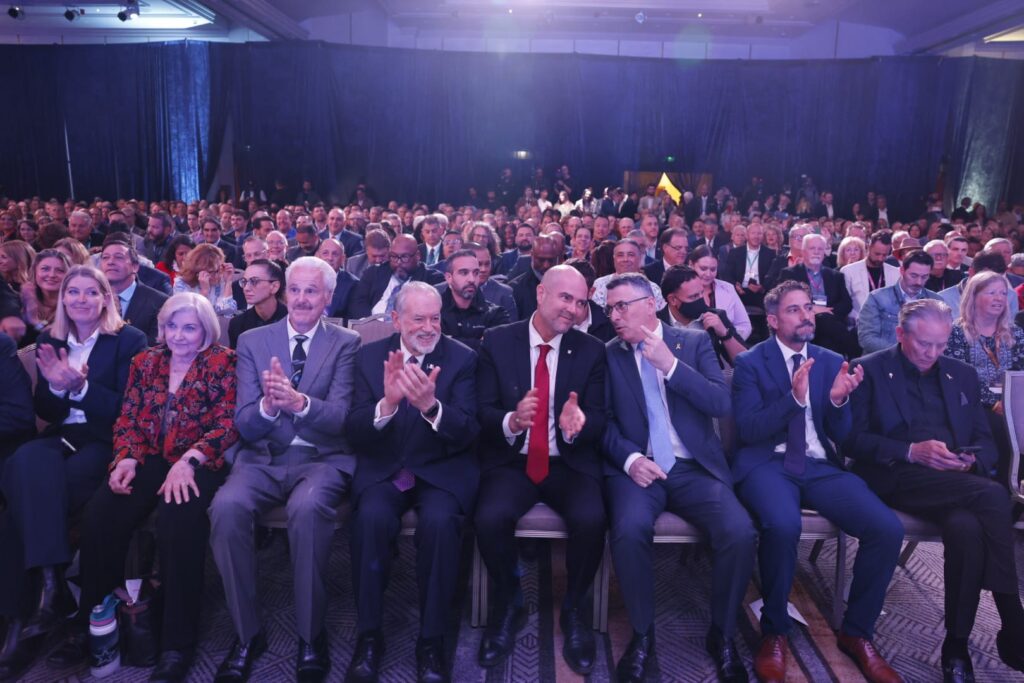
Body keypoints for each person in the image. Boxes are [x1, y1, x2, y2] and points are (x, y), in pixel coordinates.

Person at [57, 293, 238, 682]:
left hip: (200, 458)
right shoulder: (146, 361)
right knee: (101, 513)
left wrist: (190, 461)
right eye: (172, 326)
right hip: (150, 455)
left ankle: (177, 643)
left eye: (189, 327)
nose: (179, 335)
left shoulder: (224, 362)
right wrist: (125, 458)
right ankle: (93, 621)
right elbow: (128, 419)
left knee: (177, 520)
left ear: (206, 330)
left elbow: (227, 423)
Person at [731, 281, 903, 683]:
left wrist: (839, 400)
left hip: (820, 464)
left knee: (886, 528)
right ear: (773, 320)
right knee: (782, 525)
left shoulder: (830, 360)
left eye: (808, 307)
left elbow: (841, 434)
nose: (806, 315)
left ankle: (857, 632)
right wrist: (793, 399)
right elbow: (750, 429)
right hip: (768, 462)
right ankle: (774, 630)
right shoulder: (751, 363)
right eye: (794, 310)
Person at [846, 299, 1024, 682]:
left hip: (955, 484)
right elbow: (852, 441)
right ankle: (1013, 618)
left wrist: (969, 461)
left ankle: (955, 647)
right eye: (924, 343)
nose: (932, 353)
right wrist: (911, 451)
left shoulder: (961, 374)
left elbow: (984, 439)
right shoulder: (869, 369)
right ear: (900, 334)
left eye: (941, 344)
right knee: (994, 496)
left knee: (966, 529)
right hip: (896, 476)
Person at [208, 257, 359, 683]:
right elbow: (244, 423)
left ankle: (311, 635)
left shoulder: (346, 342)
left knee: (307, 510)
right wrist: (269, 407)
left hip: (321, 458)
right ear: (284, 292)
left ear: (328, 297)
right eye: (295, 289)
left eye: (312, 291)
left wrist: (300, 403)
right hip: (262, 458)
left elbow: (342, 418)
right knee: (226, 508)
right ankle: (247, 634)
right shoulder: (253, 340)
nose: (302, 299)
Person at [601, 272, 755, 683]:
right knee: (628, 529)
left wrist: (670, 367)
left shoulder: (695, 342)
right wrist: (631, 459)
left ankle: (722, 634)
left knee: (739, 532)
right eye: (609, 309)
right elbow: (604, 422)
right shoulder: (609, 354)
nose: (614, 316)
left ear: (650, 304)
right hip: (640, 468)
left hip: (692, 468)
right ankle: (642, 634)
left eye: (622, 306)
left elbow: (720, 403)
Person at [0, 266, 146, 679]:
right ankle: (51, 585)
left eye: (90, 292)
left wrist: (79, 388)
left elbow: (129, 410)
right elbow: (45, 412)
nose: (81, 299)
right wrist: (55, 387)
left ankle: (26, 617)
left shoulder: (129, 340)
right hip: (63, 436)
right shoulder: (51, 340)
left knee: (17, 510)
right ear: (63, 299)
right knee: (21, 462)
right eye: (73, 292)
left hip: (107, 441)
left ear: (105, 298)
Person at [474, 265, 606, 674]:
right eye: (565, 298)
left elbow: (600, 417)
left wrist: (578, 422)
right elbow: (481, 410)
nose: (573, 309)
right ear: (541, 294)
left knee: (592, 518)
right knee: (489, 517)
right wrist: (511, 421)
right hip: (513, 459)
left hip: (568, 460)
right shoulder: (498, 341)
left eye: (580, 302)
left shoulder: (591, 350)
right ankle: (508, 602)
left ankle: (575, 609)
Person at [344, 282, 479, 683]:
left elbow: (470, 431)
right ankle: (369, 635)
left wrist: (431, 408)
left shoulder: (463, 358)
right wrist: (387, 404)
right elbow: (354, 429)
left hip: (440, 470)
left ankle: (432, 641)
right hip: (386, 469)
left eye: (435, 318)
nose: (429, 327)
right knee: (370, 519)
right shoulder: (369, 357)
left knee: (440, 524)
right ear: (396, 319)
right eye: (418, 319)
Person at [943, 271, 1024, 482]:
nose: (999, 298)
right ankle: (1004, 486)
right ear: (974, 296)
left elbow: (1020, 372)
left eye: (1003, 293)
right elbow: (960, 378)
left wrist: (1011, 401)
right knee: (1003, 427)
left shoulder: (1015, 332)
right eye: (992, 293)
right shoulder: (956, 333)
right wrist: (994, 403)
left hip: (1012, 400)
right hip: (973, 402)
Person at [778, 234, 857, 357]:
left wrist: (827, 311)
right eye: (812, 248)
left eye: (820, 249)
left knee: (825, 323)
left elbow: (846, 304)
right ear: (803, 251)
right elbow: (784, 300)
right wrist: (812, 309)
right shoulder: (789, 274)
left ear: (824, 252)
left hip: (830, 322)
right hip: (802, 321)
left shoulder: (835, 275)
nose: (816, 252)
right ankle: (853, 353)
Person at [659, 265, 746, 369]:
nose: (701, 300)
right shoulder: (656, 322)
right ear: (673, 300)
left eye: (701, 293)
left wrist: (725, 334)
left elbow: (745, 362)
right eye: (694, 296)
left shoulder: (716, 317)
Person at [858, 250, 941, 354]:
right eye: (914, 276)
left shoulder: (936, 302)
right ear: (902, 271)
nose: (919, 282)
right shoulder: (877, 298)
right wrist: (904, 353)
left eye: (924, 277)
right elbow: (867, 339)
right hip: (884, 360)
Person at [349, 234, 444, 319]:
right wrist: (369, 323)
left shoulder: (432, 279)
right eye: (394, 257)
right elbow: (358, 302)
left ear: (418, 256)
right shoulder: (374, 273)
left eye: (404, 257)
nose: (398, 262)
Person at [100, 238, 168, 346]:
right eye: (105, 257)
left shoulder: (159, 302)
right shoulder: (93, 298)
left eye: (119, 257)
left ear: (135, 267)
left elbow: (155, 345)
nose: (110, 262)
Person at [437, 249, 508, 350]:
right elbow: (433, 347)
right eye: (464, 273)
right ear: (449, 277)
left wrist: (449, 341)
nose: (472, 279)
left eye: (476, 273)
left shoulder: (496, 314)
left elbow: (499, 349)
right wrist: (479, 342)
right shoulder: (434, 313)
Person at [687, 245, 752, 340]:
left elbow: (744, 325)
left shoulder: (727, 288)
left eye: (713, 269)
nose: (708, 274)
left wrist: (728, 340)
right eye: (703, 268)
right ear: (691, 265)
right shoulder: (680, 289)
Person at [841, 231, 900, 325]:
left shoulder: (895, 273)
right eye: (877, 254)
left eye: (884, 255)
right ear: (868, 247)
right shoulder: (848, 271)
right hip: (859, 325)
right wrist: (859, 318)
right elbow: (844, 304)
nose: (880, 258)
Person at [228, 259, 287, 349]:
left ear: (274, 286)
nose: (246, 288)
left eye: (254, 281)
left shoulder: (292, 320)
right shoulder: (237, 324)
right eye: (244, 281)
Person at [172, 243, 238, 316]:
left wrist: (228, 282)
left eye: (218, 270)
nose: (216, 275)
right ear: (197, 271)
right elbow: (191, 313)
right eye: (211, 271)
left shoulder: (221, 280)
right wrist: (204, 291)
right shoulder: (181, 283)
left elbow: (230, 310)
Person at [508, 234, 561, 319]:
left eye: (551, 260)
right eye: (541, 260)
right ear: (532, 255)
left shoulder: (567, 284)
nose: (546, 265)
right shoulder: (515, 288)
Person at [723, 223, 773, 309]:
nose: (756, 236)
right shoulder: (735, 252)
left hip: (760, 293)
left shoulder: (770, 254)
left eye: (759, 233)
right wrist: (735, 285)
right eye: (753, 233)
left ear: (763, 236)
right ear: (747, 235)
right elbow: (727, 274)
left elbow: (772, 277)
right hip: (739, 291)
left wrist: (762, 288)